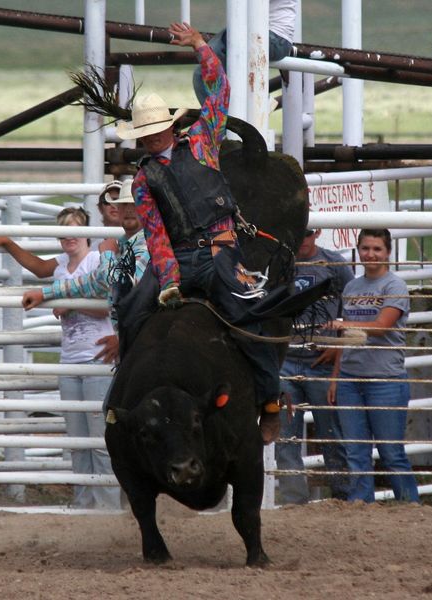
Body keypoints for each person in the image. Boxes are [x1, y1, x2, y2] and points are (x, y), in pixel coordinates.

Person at [114, 22, 282, 444]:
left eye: (155, 130)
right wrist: (169, 280)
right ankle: (123, 397)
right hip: (183, 260)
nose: (151, 138)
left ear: (169, 127)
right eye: (145, 133)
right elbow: (156, 236)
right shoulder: (142, 180)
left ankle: (269, 402)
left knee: (251, 319)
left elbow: (218, 93)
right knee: (133, 311)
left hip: (223, 252)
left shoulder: (203, 140)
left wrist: (201, 47)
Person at [0, 206, 122, 510]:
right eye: (63, 230)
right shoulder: (60, 266)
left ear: (85, 233)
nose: (68, 235)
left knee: (99, 439)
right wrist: (8, 243)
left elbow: (106, 307)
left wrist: (67, 303)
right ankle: (84, 504)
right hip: (70, 359)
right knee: (78, 440)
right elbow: (39, 267)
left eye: (74, 229)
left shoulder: (97, 259)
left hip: (97, 358)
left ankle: (108, 507)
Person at [326, 229, 419, 503]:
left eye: (377, 249)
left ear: (387, 252)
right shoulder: (352, 287)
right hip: (350, 379)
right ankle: (361, 505)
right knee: (356, 450)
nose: (370, 254)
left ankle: (409, 505)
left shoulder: (396, 286)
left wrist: (344, 324)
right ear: (358, 250)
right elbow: (346, 338)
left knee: (391, 452)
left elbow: (381, 327)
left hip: (385, 380)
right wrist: (335, 378)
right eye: (365, 248)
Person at [21, 180, 150, 352]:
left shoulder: (146, 244)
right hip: (140, 340)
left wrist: (108, 254)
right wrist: (44, 293)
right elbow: (93, 282)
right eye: (124, 204)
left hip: (145, 340)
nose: (128, 210)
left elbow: (119, 283)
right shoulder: (125, 245)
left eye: (134, 204)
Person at [275, 229, 352, 504]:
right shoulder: (280, 263)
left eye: (307, 233)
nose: (303, 238)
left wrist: (338, 345)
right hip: (287, 361)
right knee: (286, 438)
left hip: (321, 364)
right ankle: (294, 501)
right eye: (300, 232)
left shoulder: (336, 266)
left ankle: (342, 496)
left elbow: (350, 310)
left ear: (317, 233)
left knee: (332, 436)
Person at [193, 0, 297, 104]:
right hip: (267, 37)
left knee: (206, 71)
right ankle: (257, 99)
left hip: (273, 38)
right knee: (204, 72)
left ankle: (256, 100)